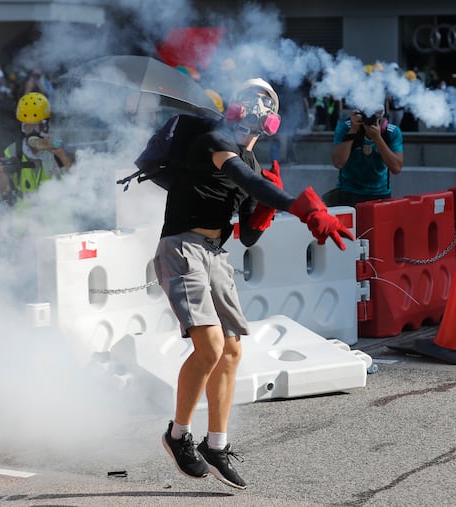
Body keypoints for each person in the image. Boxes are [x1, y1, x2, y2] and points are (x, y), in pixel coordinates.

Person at [155, 78, 354, 489]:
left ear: (270, 121)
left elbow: (247, 234)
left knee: (230, 350)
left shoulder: (253, 163)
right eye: (247, 101)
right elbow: (248, 183)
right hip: (182, 248)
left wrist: (263, 212)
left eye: (263, 105)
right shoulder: (214, 141)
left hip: (214, 254)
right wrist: (300, 206)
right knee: (208, 345)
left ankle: (217, 444)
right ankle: (178, 436)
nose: (252, 110)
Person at [0, 92, 74, 207]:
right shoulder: (13, 151)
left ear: (47, 126)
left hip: (55, 215)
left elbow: (75, 181)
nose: (33, 131)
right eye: (28, 126)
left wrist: (60, 154)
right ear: (22, 127)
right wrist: (4, 174)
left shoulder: (59, 147)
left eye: (38, 126)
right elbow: (3, 192)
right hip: (26, 218)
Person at [327, 107, 403, 206]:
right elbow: (338, 163)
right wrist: (353, 131)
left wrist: (378, 138)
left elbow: (396, 168)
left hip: (380, 193)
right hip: (349, 191)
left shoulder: (391, 132)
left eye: (375, 118)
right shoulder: (346, 127)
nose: (370, 121)